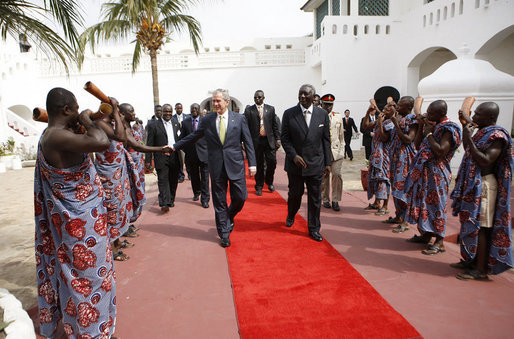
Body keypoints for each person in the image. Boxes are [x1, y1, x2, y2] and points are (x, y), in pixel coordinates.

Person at [34, 87, 116, 338]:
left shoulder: (58, 135)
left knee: (90, 274)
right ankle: (90, 331)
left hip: (84, 220)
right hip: (78, 223)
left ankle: (97, 327)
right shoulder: (55, 136)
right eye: (77, 107)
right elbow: (102, 142)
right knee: (85, 277)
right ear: (67, 110)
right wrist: (87, 120)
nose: (80, 111)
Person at [173, 89, 256, 247]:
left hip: (235, 164)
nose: (215, 104)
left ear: (226, 101)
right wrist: (174, 146)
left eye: (218, 101)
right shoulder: (208, 120)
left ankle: (229, 215)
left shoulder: (239, 119)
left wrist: (252, 163)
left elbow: (248, 141)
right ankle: (224, 233)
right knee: (219, 201)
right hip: (216, 165)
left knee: (241, 197)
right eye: (213, 101)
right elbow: (193, 137)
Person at [450, 102, 513, 280]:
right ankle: (470, 259)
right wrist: (465, 129)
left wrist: (469, 138)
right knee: (470, 224)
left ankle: (481, 270)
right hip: (473, 185)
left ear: (491, 118)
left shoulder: (497, 136)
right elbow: (469, 150)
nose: (474, 117)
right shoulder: (482, 132)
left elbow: (485, 160)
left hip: (485, 186)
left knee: (482, 227)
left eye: (478, 114)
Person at [404, 100, 462, 255]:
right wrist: (423, 127)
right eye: (427, 112)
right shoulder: (432, 126)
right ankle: (426, 234)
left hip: (437, 173)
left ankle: (440, 241)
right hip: (425, 172)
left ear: (441, 114)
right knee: (424, 204)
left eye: (431, 113)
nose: (427, 115)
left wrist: (429, 133)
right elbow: (417, 145)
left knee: (437, 206)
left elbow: (441, 151)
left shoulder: (449, 129)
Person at [281, 84, 331, 241]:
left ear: (313, 96)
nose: (302, 97)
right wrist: (293, 155)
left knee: (315, 198)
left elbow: (326, 140)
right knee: (295, 194)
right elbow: (285, 138)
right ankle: (291, 213)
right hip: (296, 164)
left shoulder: (322, 114)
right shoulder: (289, 114)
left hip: (316, 163)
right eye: (300, 94)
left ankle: (314, 228)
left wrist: (328, 163)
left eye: (306, 94)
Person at [388, 96, 418, 233]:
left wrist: (395, 124)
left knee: (403, 188)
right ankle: (399, 215)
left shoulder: (412, 120)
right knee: (395, 187)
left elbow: (408, 139)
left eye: (400, 104)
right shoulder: (398, 118)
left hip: (405, 159)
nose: (397, 106)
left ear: (408, 107)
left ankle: (406, 220)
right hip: (395, 158)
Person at [243, 90, 281, 195]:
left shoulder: (270, 109)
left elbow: (275, 126)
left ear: (263, 98)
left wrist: (278, 139)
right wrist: (244, 141)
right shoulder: (249, 110)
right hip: (256, 141)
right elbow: (245, 127)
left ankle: (269, 181)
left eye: (259, 97)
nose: (257, 99)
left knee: (272, 162)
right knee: (259, 165)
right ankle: (259, 186)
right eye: (255, 97)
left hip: (269, 141)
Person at [146, 104, 182, 212]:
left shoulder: (176, 123)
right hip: (161, 157)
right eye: (166, 112)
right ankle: (164, 203)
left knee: (173, 179)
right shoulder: (154, 125)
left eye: (170, 112)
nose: (168, 114)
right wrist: (148, 161)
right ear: (161, 112)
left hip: (174, 156)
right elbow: (149, 144)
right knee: (162, 180)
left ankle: (170, 200)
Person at [363, 102, 395, 216]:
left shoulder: (391, 123)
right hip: (375, 153)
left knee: (384, 179)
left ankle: (385, 205)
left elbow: (384, 138)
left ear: (392, 113)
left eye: (387, 109)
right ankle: (376, 202)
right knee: (375, 178)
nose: (384, 111)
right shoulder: (380, 120)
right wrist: (368, 112)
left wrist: (380, 124)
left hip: (385, 155)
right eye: (384, 108)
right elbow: (366, 126)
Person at [181, 103, 210, 208]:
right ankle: (196, 192)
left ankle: (205, 199)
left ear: (199, 110)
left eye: (196, 109)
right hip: (191, 155)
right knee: (194, 176)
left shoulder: (206, 121)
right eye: (192, 108)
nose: (194, 110)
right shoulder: (185, 123)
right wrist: (186, 150)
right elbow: (182, 139)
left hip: (204, 154)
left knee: (205, 178)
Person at [320, 94, 344, 211]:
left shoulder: (338, 117)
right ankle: (325, 199)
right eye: (326, 105)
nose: (329, 107)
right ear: (321, 104)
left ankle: (335, 199)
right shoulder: (318, 117)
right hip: (324, 152)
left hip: (337, 151)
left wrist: (342, 149)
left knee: (337, 174)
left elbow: (341, 136)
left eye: (331, 105)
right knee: (325, 176)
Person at [173, 103, 190, 183]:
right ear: (175, 109)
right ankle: (181, 175)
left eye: (180, 108)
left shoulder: (187, 117)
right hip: (177, 141)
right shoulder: (172, 118)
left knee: (188, 159)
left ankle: (189, 174)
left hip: (186, 141)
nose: (179, 110)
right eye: (177, 108)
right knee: (179, 160)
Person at [144, 104, 162, 172]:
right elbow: (149, 143)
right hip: (157, 154)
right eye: (157, 111)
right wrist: (148, 160)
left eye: (160, 110)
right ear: (155, 111)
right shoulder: (151, 123)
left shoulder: (166, 122)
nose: (159, 112)